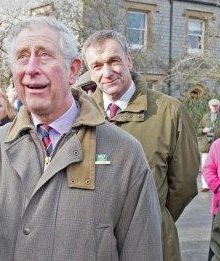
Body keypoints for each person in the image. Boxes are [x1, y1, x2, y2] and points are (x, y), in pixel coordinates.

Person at [0, 16, 162, 260]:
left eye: (44, 55)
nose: (31, 68)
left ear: (73, 70)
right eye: (22, 57)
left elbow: (142, 248)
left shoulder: (123, 151)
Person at [83, 29, 199, 261]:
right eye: (97, 66)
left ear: (129, 60)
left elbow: (184, 184)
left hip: (152, 244)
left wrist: (153, 216)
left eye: (114, 61)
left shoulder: (169, 112)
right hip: (92, 247)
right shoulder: (80, 113)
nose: (107, 72)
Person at [203, 138, 220, 259]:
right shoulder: (217, 145)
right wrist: (218, 187)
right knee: (217, 248)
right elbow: (207, 169)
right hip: (219, 208)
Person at [199, 99, 220, 191]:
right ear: (209, 106)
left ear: (219, 106)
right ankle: (205, 186)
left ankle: (217, 184)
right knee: (205, 166)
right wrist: (203, 130)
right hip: (206, 145)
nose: (214, 107)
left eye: (216, 105)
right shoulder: (205, 117)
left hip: (218, 146)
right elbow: (198, 129)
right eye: (212, 105)